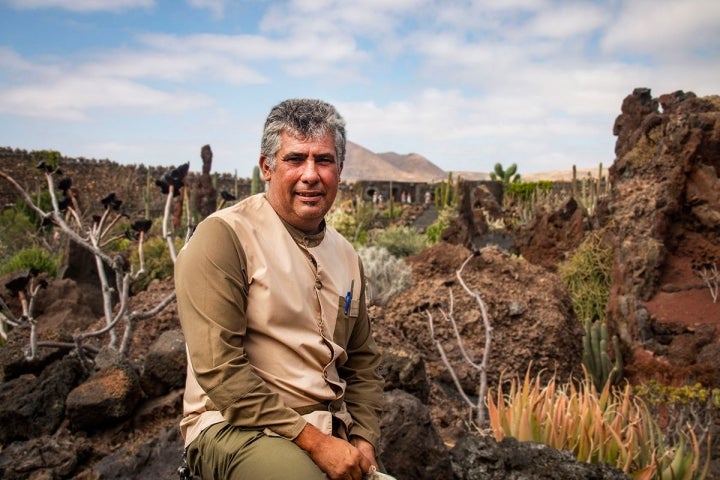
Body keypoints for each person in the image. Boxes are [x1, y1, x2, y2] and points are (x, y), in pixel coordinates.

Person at [175, 98, 385, 480]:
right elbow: (221, 372)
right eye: (295, 159)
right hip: (235, 424)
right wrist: (316, 442)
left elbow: (363, 362)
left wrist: (363, 437)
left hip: (327, 426)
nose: (310, 174)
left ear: (339, 169)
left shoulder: (347, 255)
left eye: (323, 160)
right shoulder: (225, 237)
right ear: (266, 167)